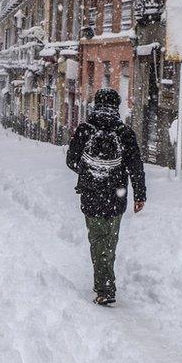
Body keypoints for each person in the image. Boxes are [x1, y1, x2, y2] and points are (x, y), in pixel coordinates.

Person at [65, 88, 146, 306]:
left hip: (91, 195)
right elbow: (135, 167)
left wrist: (89, 171)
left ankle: (104, 286)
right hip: (116, 195)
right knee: (111, 240)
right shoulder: (125, 133)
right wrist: (140, 194)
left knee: (97, 240)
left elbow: (71, 160)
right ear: (116, 107)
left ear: (96, 105)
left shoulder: (84, 129)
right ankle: (106, 281)